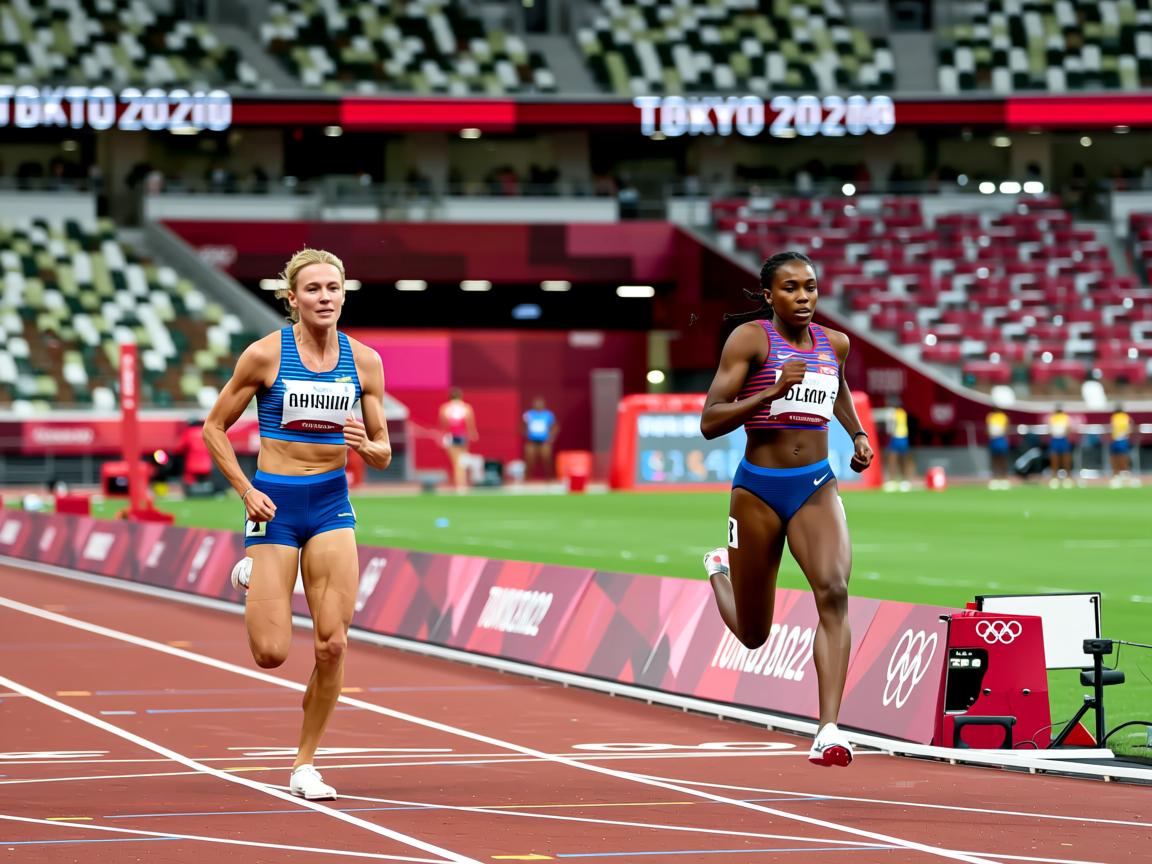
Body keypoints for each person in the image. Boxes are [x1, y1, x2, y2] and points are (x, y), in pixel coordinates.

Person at [202, 248, 392, 801]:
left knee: (332, 645)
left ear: (343, 295)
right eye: (313, 289)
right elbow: (214, 428)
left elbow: (381, 452)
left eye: (333, 288)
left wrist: (367, 446)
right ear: (292, 298)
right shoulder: (264, 356)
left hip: (332, 505)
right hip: (275, 505)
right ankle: (250, 572)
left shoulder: (366, 362)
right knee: (272, 653)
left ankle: (305, 763)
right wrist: (246, 489)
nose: (325, 297)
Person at [699, 251, 874, 768]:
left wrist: (857, 433)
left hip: (815, 484)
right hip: (756, 491)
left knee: (835, 590)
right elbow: (710, 420)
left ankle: (828, 730)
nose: (803, 298)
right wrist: (773, 390)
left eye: (811, 288)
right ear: (769, 295)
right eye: (791, 289)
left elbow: (837, 388)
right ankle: (717, 570)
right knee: (754, 635)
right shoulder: (750, 340)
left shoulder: (834, 343)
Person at [440, 387, 478, 491]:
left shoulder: (445, 408)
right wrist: (472, 434)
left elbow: (443, 424)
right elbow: (470, 424)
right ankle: (462, 483)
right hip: (462, 436)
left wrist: (442, 436)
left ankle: (460, 484)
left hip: (451, 436)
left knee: (456, 462)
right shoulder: (466, 407)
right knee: (462, 460)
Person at [522, 396, 559, 481]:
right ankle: (527, 478)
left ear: (544, 405)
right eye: (536, 404)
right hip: (532, 441)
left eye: (540, 404)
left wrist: (551, 436)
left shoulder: (548, 415)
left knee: (547, 459)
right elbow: (521, 425)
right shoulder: (529, 414)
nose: (538, 405)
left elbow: (555, 426)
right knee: (529, 460)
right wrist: (525, 433)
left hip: (544, 441)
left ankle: (550, 478)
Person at [883, 398, 914, 492]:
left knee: (892, 459)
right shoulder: (903, 413)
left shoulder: (892, 413)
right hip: (904, 438)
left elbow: (889, 428)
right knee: (903, 460)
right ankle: (905, 481)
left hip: (896, 438)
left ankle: (892, 481)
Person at [1109, 403, 1136, 487]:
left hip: (1118, 439)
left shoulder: (1116, 417)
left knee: (1117, 457)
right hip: (1122, 439)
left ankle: (1117, 474)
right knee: (1121, 457)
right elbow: (1131, 426)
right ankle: (1122, 474)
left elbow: (1113, 428)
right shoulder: (1125, 416)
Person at [1047, 404, 1074, 488]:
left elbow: (1068, 428)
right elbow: (1050, 429)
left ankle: (1068, 478)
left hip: (1063, 439)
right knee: (1054, 458)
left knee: (1065, 459)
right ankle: (1055, 478)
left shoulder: (1065, 417)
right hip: (1055, 439)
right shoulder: (1052, 418)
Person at [986, 408, 1011, 490]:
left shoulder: (1003, 417)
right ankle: (995, 478)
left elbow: (1007, 428)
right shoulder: (990, 416)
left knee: (1002, 459)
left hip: (1001, 439)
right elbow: (987, 429)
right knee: (994, 459)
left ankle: (1004, 478)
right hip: (993, 440)